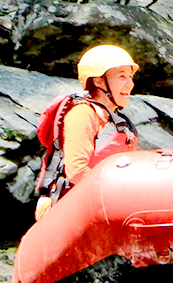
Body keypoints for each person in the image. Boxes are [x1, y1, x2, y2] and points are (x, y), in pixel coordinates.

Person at [34, 44, 140, 219]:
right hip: (64, 208)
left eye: (130, 77)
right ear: (98, 81)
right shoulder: (82, 113)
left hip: (101, 204)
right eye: (122, 77)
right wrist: (117, 194)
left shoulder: (120, 122)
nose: (130, 84)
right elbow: (77, 171)